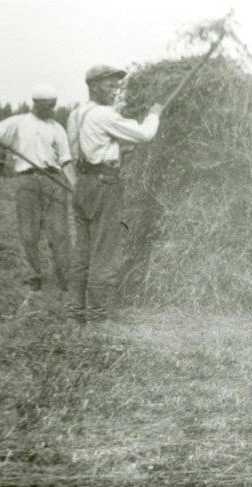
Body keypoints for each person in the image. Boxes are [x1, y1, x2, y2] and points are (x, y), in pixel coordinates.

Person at [65, 65, 163, 323]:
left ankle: (75, 313)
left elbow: (93, 146)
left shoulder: (76, 114)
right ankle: (97, 317)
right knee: (104, 251)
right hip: (104, 186)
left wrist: (118, 151)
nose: (115, 91)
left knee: (82, 252)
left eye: (117, 86)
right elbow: (144, 134)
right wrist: (154, 114)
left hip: (83, 184)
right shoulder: (104, 115)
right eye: (110, 86)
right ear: (94, 86)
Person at [0, 84, 75, 291]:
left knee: (60, 233)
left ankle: (66, 279)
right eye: (49, 106)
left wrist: (75, 186)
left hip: (54, 180)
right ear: (37, 104)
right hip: (27, 182)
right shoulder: (18, 122)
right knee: (29, 233)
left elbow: (66, 160)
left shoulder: (57, 128)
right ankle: (35, 277)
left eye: (54, 106)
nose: (53, 110)